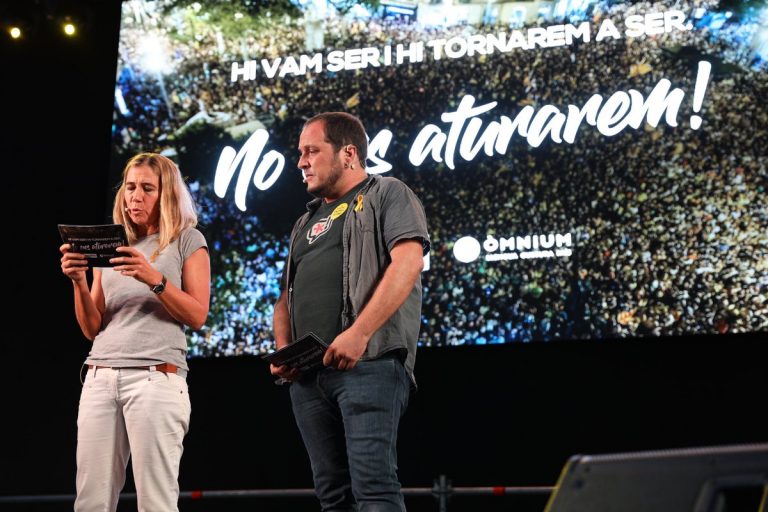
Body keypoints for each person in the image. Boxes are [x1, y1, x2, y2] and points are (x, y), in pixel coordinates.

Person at [271, 112, 430, 511]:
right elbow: (283, 298)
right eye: (300, 153)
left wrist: (359, 333)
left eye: (311, 151)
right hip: (307, 377)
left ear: (348, 153)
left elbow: (408, 263)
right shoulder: (303, 222)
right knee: (332, 497)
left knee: (374, 488)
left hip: (368, 365)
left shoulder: (388, 192)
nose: (301, 162)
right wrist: (283, 350)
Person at [59, 152, 210, 512]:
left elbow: (197, 314)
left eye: (147, 188)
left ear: (167, 195)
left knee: (155, 503)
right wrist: (79, 282)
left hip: (155, 378)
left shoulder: (187, 240)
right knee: (90, 502)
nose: (135, 196)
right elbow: (92, 327)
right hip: (99, 376)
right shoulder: (111, 246)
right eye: (130, 187)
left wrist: (153, 277)